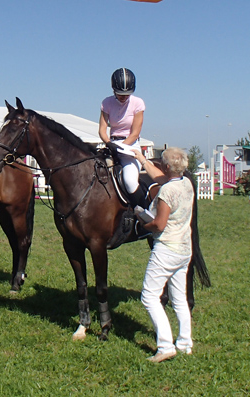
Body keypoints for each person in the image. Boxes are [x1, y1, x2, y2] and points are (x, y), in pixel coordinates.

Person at [133, 147, 194, 363]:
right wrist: (141, 159)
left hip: (166, 249)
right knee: (179, 298)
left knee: (149, 296)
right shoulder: (186, 183)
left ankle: (165, 345)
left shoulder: (166, 192)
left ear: (167, 166)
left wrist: (142, 220)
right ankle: (185, 342)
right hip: (184, 249)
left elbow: (159, 224)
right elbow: (160, 177)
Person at [99, 68, 147, 208]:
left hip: (130, 146)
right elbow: (102, 129)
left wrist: (120, 148)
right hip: (112, 143)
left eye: (127, 94)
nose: (124, 97)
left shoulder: (137, 103)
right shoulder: (106, 103)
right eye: (120, 94)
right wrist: (109, 144)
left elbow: (135, 133)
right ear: (113, 90)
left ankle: (143, 215)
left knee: (130, 181)